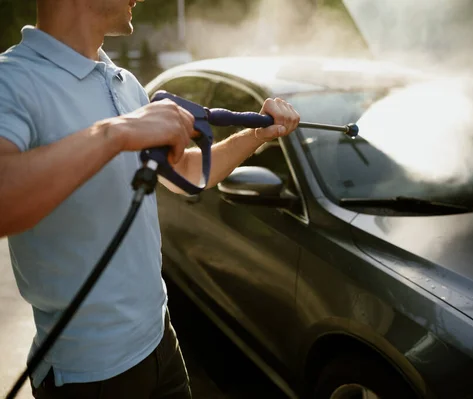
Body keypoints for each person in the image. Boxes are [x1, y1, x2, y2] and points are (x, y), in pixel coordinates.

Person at [0, 0, 300, 397]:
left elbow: (189, 174)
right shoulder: (11, 79)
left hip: (162, 343)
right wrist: (117, 132)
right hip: (89, 376)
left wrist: (257, 136)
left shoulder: (124, 81)